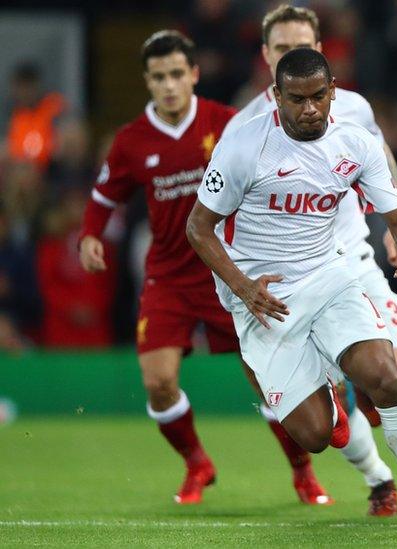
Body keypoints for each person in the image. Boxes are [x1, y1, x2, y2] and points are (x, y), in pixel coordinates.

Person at [185, 47, 397, 533]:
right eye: (296, 99)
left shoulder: (355, 143)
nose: (310, 108)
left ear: (332, 90)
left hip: (330, 278)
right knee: (316, 435)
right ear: (276, 96)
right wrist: (241, 286)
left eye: (318, 96)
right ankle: (332, 410)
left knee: (387, 378)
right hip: (264, 298)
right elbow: (198, 228)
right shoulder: (242, 146)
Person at [78, 30, 331, 506]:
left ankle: (303, 472)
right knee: (157, 382)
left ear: (193, 74)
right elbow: (103, 195)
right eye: (159, 77)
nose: (169, 85)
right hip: (169, 278)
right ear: (148, 82)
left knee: (266, 381)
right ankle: (197, 462)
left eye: (177, 74)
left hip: (228, 272)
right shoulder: (132, 141)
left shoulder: (228, 124)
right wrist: (90, 235)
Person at [222, 4, 397, 515]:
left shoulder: (352, 106)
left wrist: (393, 223)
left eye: (300, 44)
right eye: (282, 48)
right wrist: (238, 284)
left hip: (352, 257)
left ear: (319, 48)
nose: (292, 53)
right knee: (325, 421)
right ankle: (378, 477)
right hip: (292, 279)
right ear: (267, 57)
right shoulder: (245, 127)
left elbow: (382, 157)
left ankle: (363, 408)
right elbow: (222, 216)